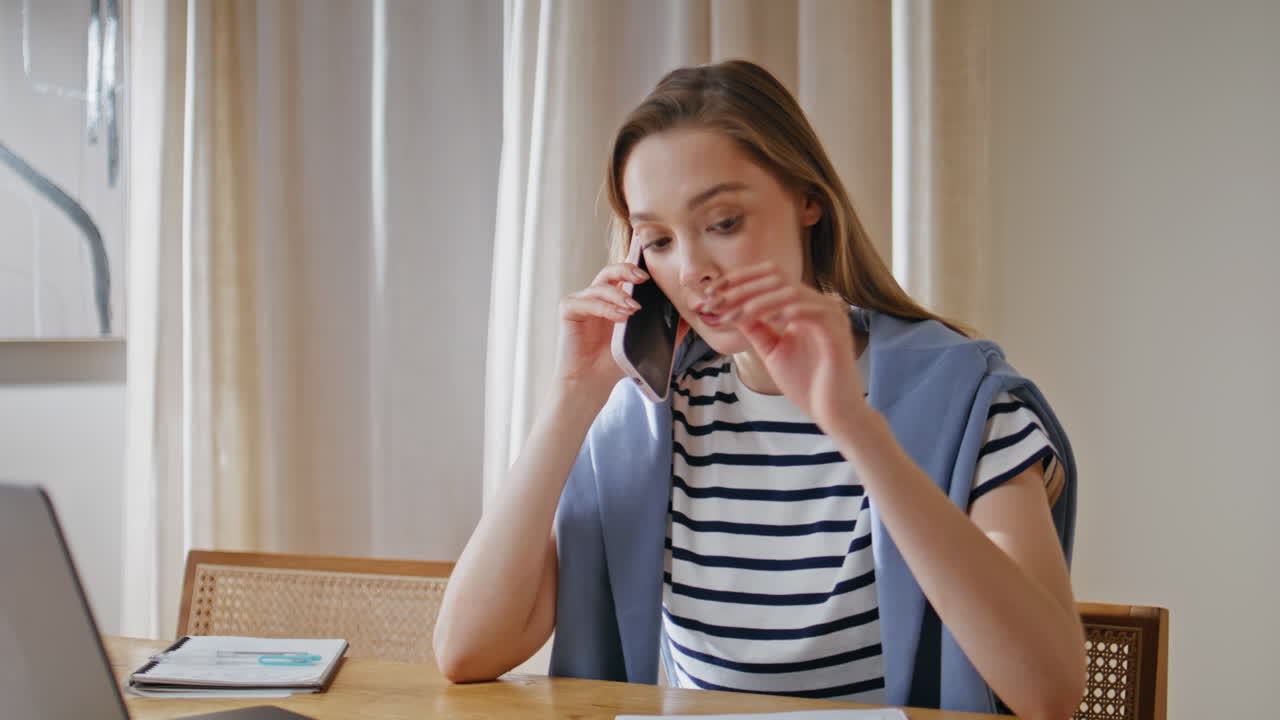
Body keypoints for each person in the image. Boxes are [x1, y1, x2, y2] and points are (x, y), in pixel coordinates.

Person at [434, 60, 1085, 719]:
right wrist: (572, 396)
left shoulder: (965, 398)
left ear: (808, 201)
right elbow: (466, 651)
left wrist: (854, 428)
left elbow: (1048, 691)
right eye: (657, 239)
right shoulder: (648, 421)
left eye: (723, 223)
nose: (692, 272)